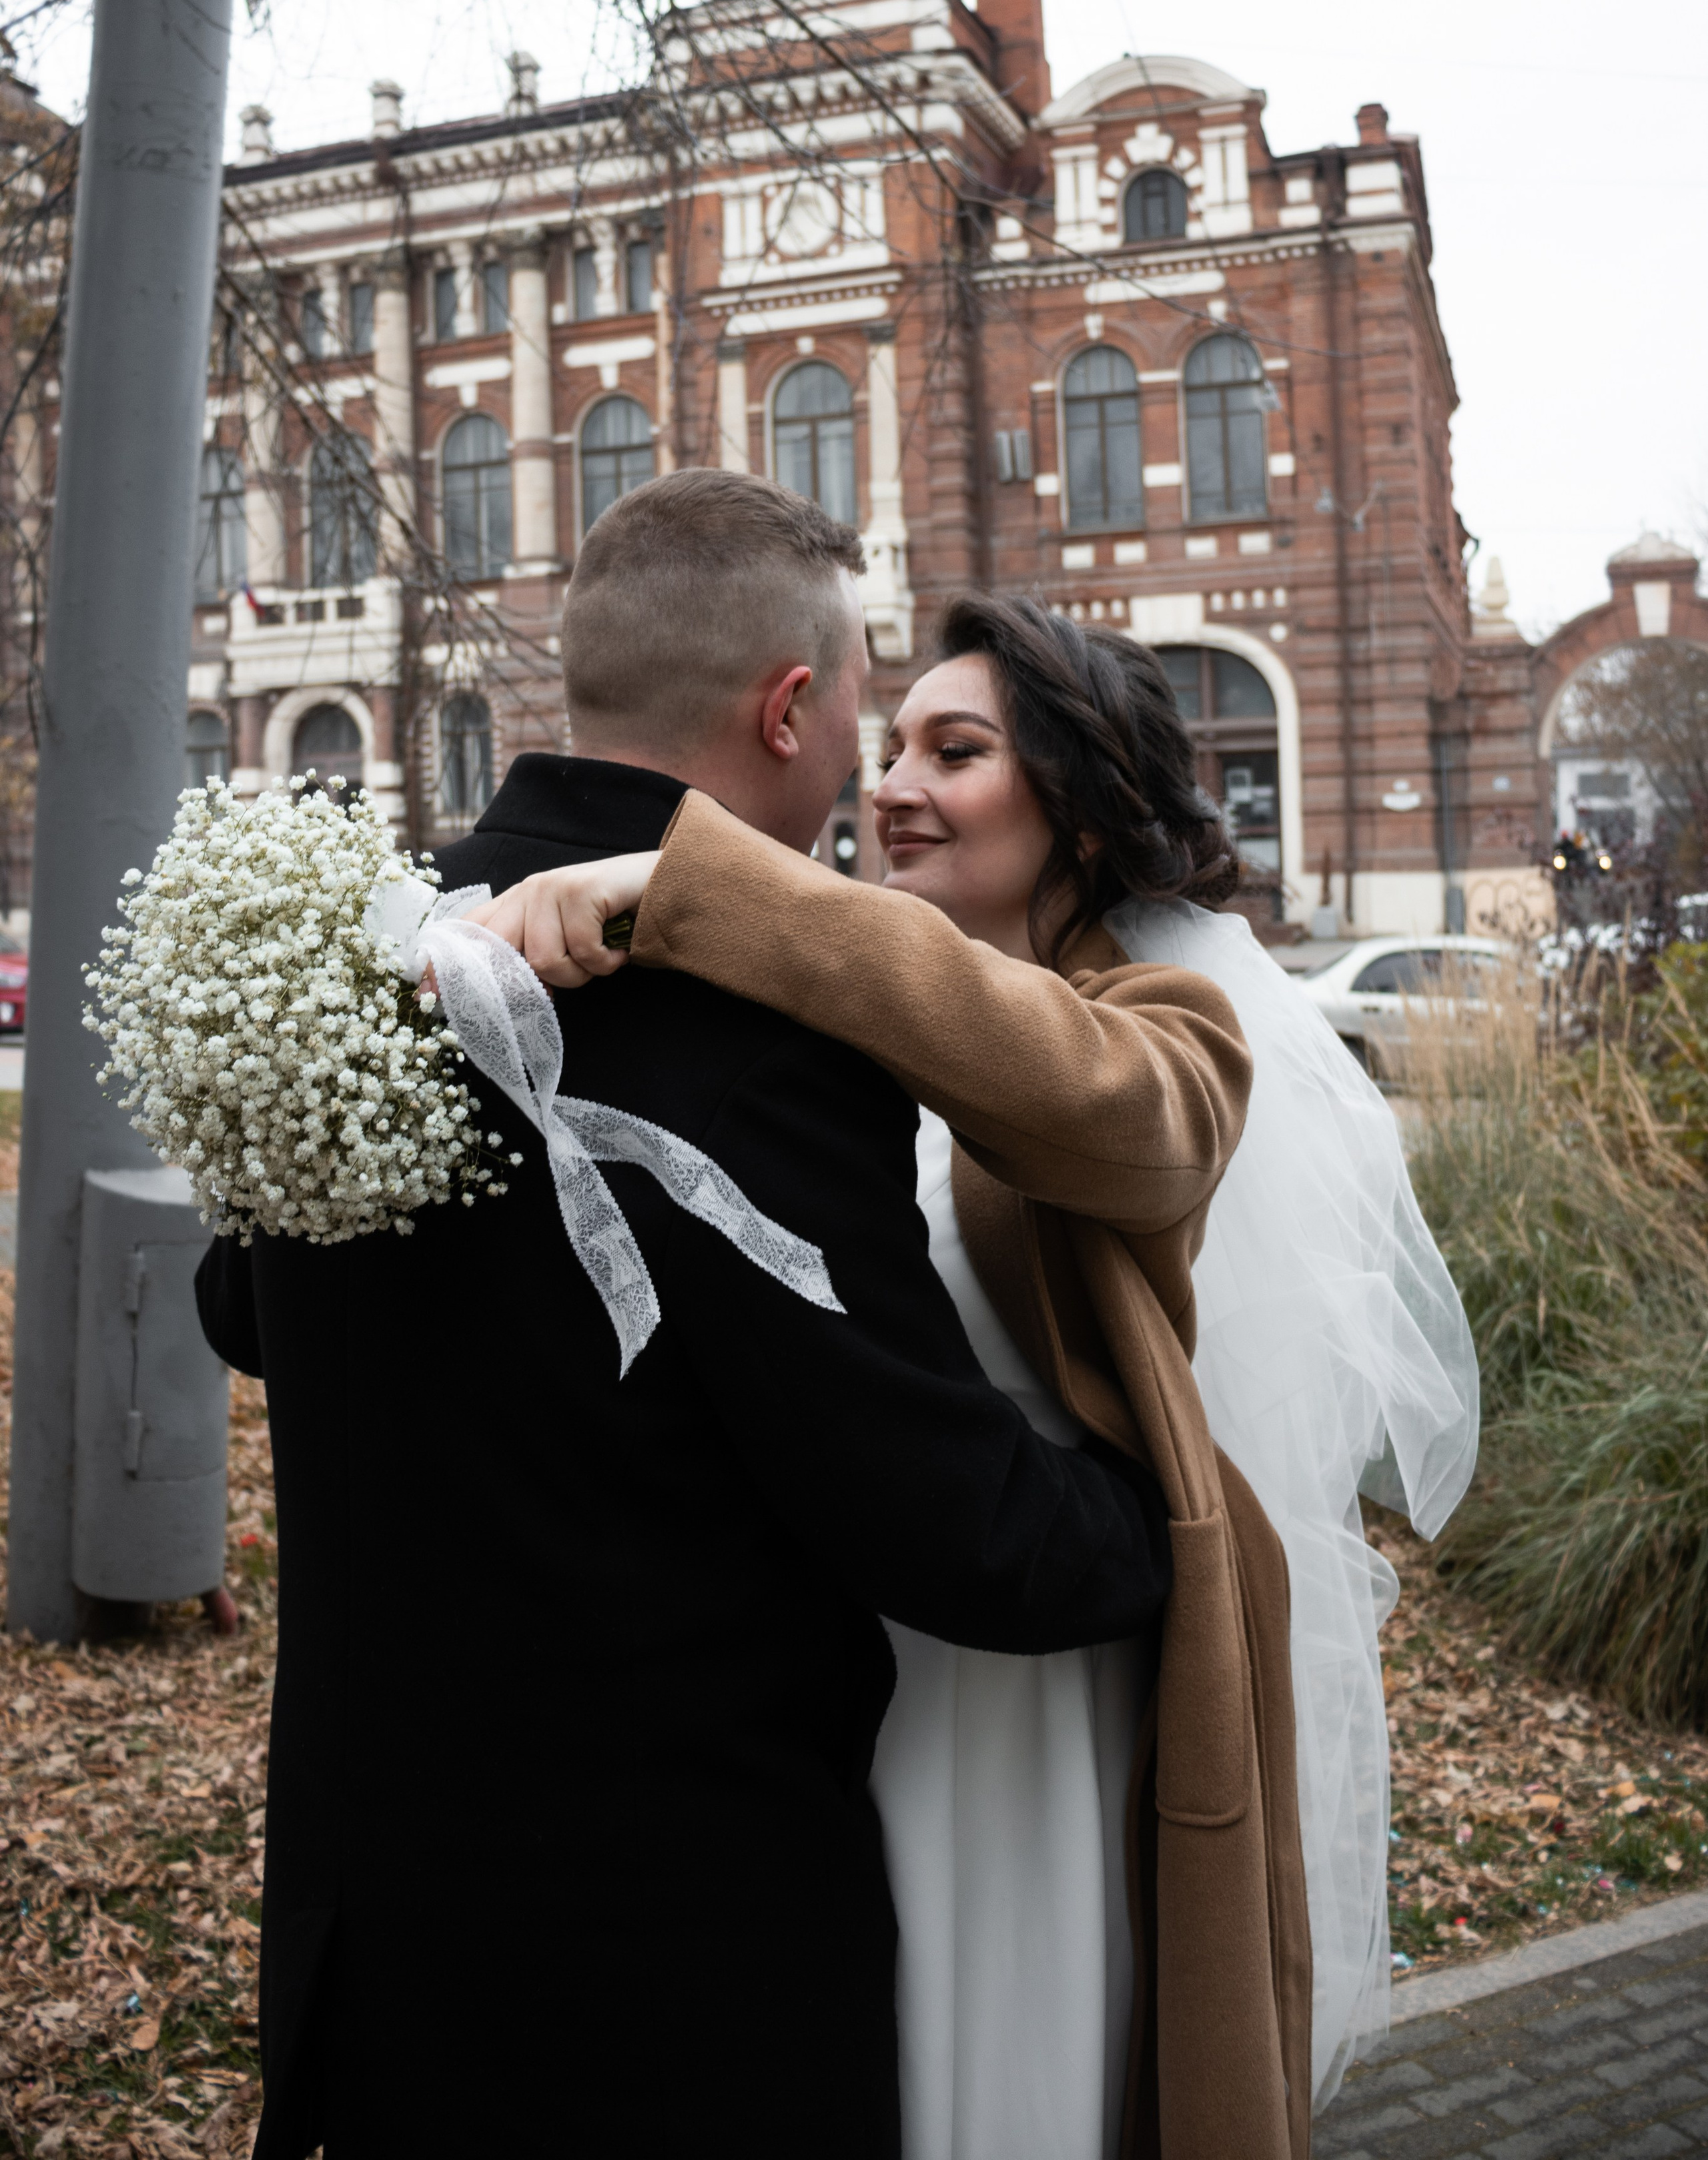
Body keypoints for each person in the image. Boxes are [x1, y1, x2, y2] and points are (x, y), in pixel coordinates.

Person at [194, 474, 1252, 2160]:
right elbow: (943, 1518)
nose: (872, 774)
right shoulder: (762, 1045)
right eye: (861, 715)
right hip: (661, 1982)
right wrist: (1159, 1536)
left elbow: (244, 1303)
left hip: (371, 1942)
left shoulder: (356, 956)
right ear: (788, 706)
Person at [472, 591, 1480, 2157]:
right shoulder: (823, 1023)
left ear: (1074, 805)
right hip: (822, 1672)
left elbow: (1107, 1118)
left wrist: (699, 880)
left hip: (1030, 1660)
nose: (891, 786)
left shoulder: (1168, 1028)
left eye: (954, 750)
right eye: (886, 747)